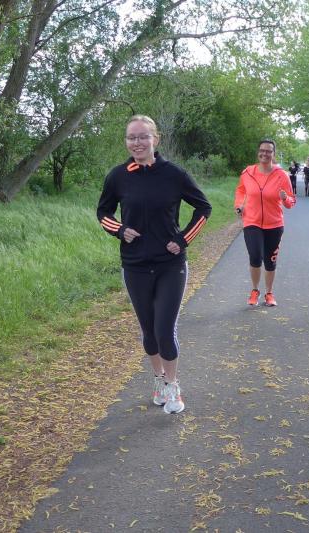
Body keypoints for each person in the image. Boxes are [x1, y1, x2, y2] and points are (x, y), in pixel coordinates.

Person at [97, 115, 211, 414]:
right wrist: (120, 230)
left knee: (164, 329)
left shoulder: (174, 174)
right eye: (131, 137)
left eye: (143, 136)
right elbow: (103, 212)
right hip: (134, 264)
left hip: (170, 265)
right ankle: (159, 380)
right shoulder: (118, 176)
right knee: (148, 331)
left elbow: (203, 207)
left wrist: (183, 239)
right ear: (126, 141)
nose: (137, 142)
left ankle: (173, 386)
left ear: (155, 139)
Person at [235, 140, 296, 307]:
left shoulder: (282, 175)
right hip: (252, 221)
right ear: (258, 152)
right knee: (255, 256)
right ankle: (255, 290)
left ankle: (269, 293)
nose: (265, 154)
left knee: (270, 261)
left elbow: (291, 201)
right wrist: (239, 205)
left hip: (274, 224)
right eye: (262, 150)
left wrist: (285, 198)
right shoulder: (248, 172)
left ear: (273, 154)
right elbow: (241, 190)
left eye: (269, 151)